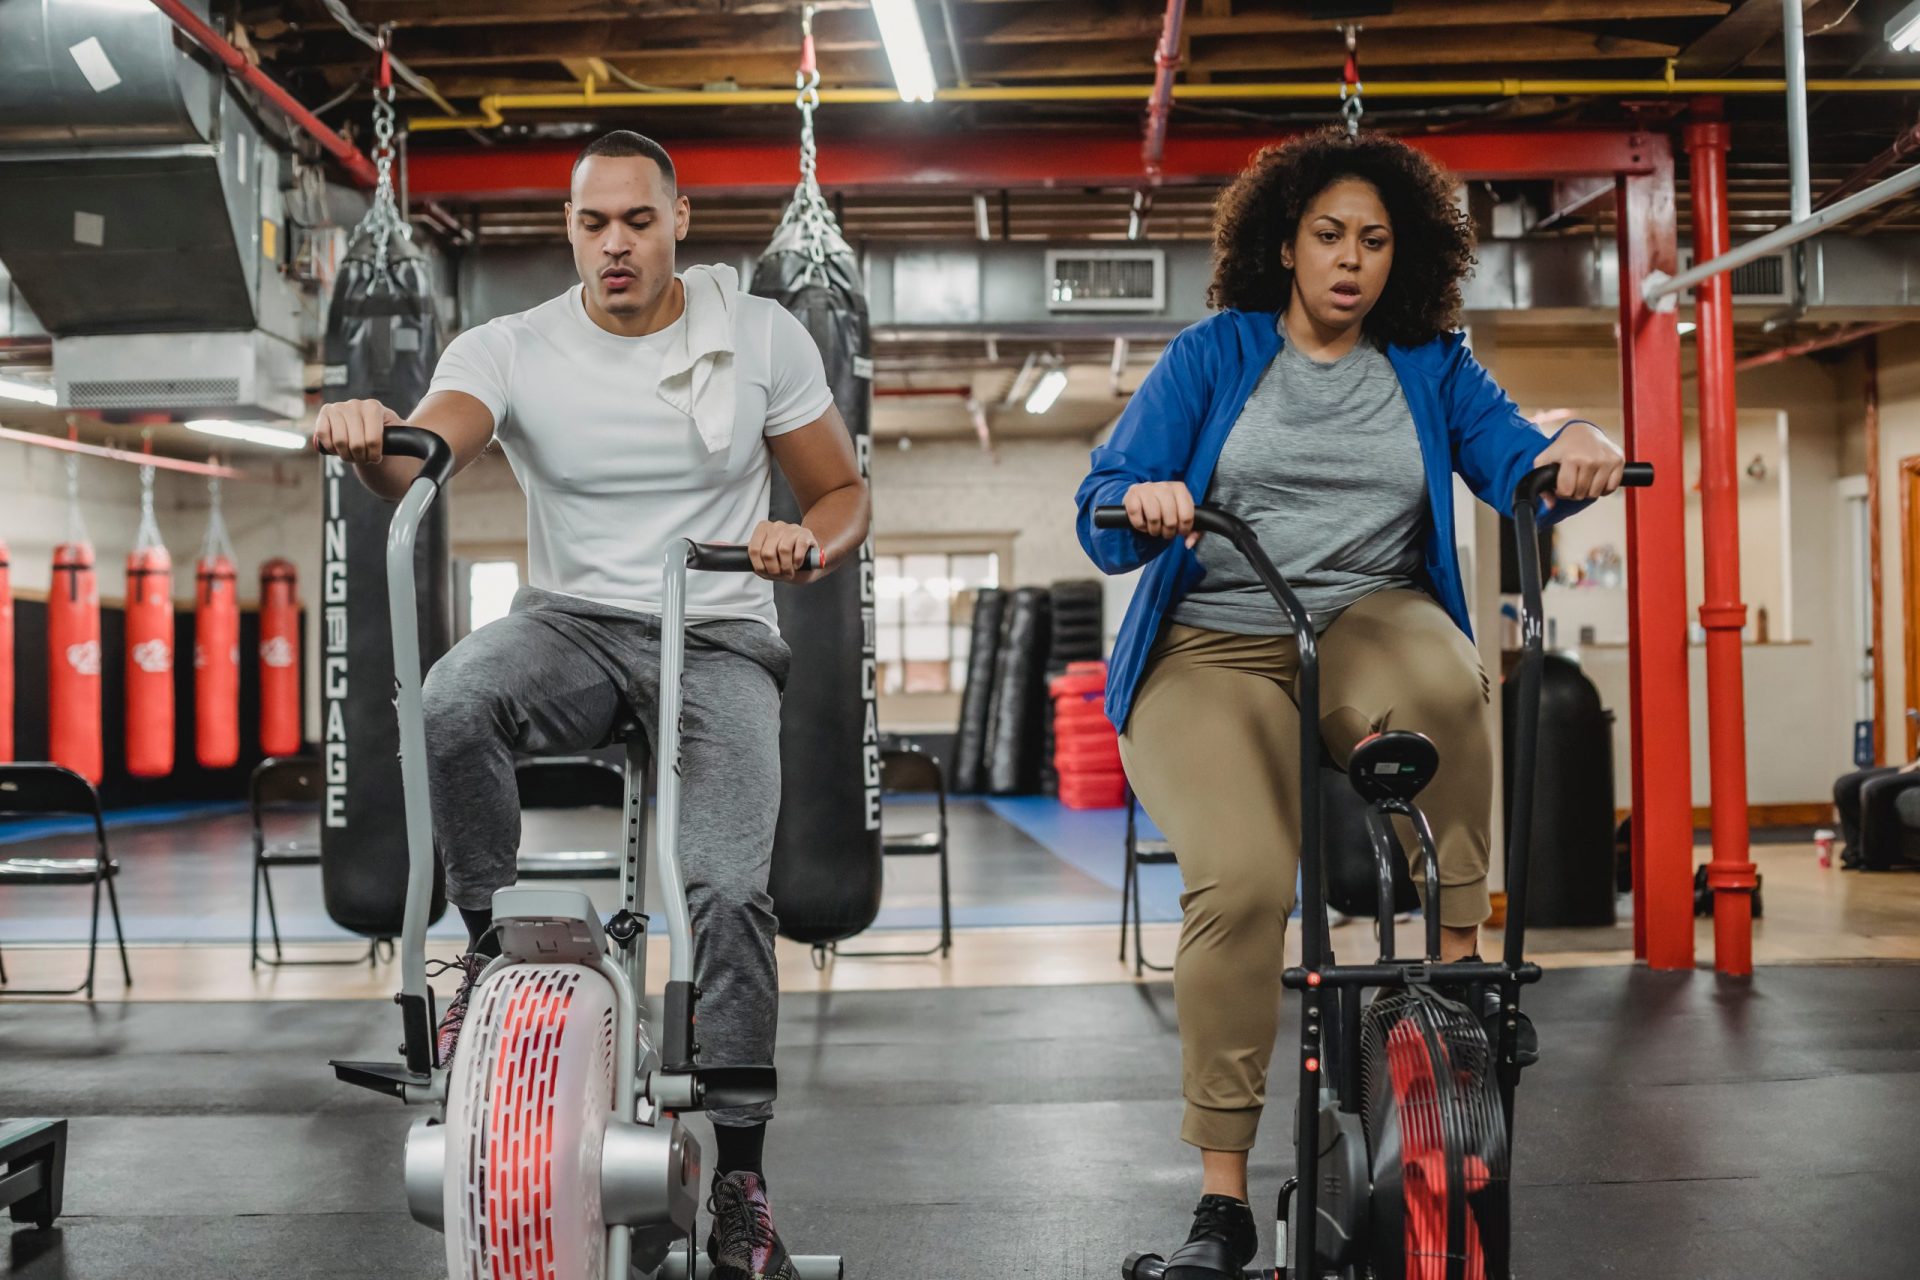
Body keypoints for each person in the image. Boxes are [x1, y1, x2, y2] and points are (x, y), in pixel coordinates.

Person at [313, 129, 867, 1280]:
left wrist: (801, 541)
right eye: (591, 223)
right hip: (568, 622)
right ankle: (479, 952)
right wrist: (375, 446)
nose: (614, 244)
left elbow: (843, 490)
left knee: (725, 887)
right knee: (453, 695)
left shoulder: (761, 334)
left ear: (679, 220)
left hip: (713, 627)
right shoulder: (510, 345)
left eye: (637, 221)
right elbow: (424, 452)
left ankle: (746, 1179)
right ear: (570, 229)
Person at [1074, 127, 1625, 1277]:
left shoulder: (1431, 361)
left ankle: (1463, 972)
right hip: (1211, 641)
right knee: (1246, 881)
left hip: (1364, 615)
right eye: (1329, 234)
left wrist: (1580, 439)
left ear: (1399, 256)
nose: (1351, 259)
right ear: (1285, 245)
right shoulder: (1216, 353)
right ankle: (1221, 1201)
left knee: (1449, 673)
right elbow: (1103, 495)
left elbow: (1519, 460)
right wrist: (1146, 496)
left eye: (1375, 240)